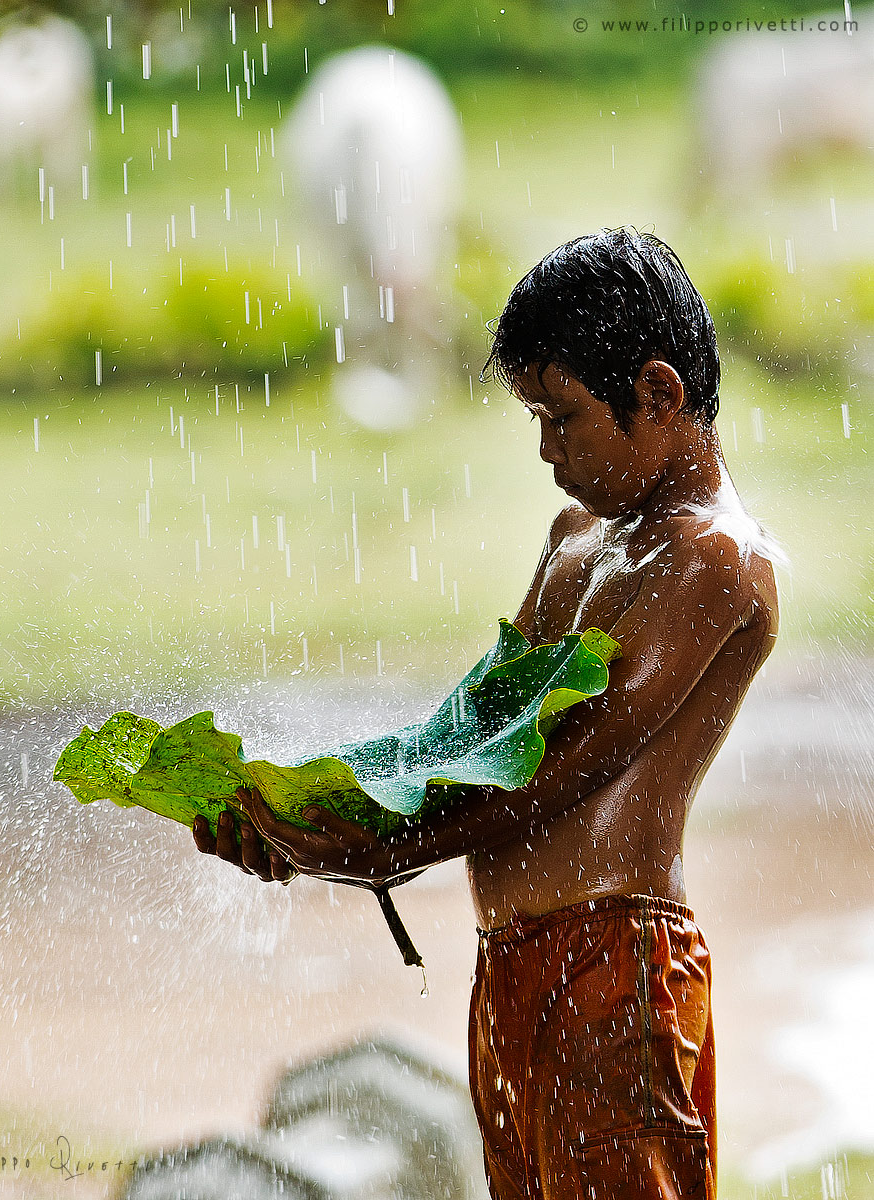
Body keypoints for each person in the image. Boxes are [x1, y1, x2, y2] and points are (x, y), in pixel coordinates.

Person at [192, 226, 782, 1200]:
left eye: (564, 418)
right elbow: (462, 738)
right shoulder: (573, 542)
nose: (546, 452)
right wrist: (301, 811)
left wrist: (373, 856)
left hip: (613, 964)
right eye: (533, 421)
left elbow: (565, 767)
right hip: (507, 964)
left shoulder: (713, 560)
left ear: (658, 393)